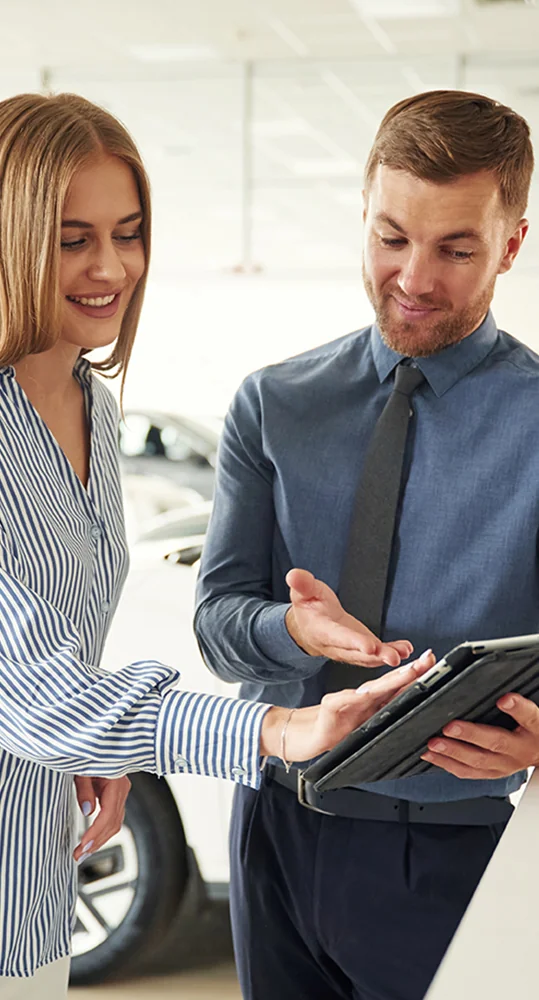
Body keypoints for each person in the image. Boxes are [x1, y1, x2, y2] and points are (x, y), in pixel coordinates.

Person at [0, 92, 435, 999]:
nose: (111, 266)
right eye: (73, 238)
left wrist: (103, 740)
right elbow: (32, 690)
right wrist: (279, 727)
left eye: (128, 232)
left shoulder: (92, 406)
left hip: (37, 882)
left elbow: (48, 655)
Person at [195, 89, 539, 1000]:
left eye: (455, 249)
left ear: (510, 243)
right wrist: (294, 634)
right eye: (390, 238)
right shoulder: (274, 403)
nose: (414, 278)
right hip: (272, 827)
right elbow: (218, 625)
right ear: (363, 217)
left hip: (456, 850)